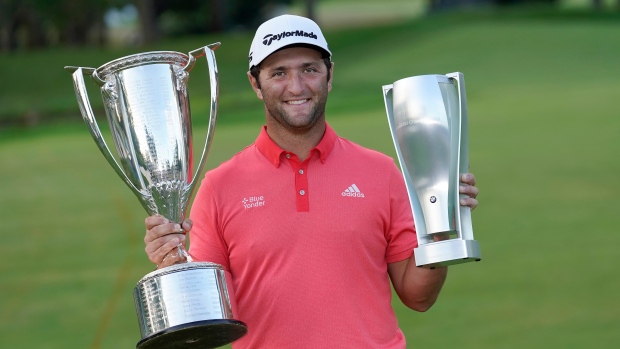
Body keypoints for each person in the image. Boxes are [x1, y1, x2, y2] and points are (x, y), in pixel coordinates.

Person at [144, 14, 479, 348]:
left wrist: (440, 228)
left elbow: (418, 297)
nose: (297, 87)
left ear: (329, 75)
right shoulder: (219, 187)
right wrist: (173, 263)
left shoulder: (382, 171)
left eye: (309, 69)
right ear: (255, 84)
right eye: (278, 73)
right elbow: (213, 315)